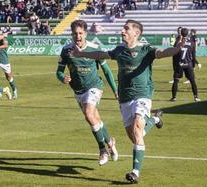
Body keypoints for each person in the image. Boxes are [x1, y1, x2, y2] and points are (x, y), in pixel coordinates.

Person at [72, 19, 182, 183]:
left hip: (142, 95)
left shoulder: (146, 50)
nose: (122, 31)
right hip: (124, 98)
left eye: (126, 28)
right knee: (136, 136)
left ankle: (135, 173)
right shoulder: (119, 50)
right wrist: (82, 54)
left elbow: (164, 52)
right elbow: (101, 55)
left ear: (136, 33)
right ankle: (155, 119)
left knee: (138, 129)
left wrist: (178, 48)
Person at [56, 20, 118, 166]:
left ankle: (102, 150)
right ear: (71, 34)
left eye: (80, 33)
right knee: (95, 119)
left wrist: (115, 90)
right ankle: (110, 142)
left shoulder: (94, 48)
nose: (77, 36)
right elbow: (59, 71)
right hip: (78, 90)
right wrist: (62, 78)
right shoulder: (66, 50)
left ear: (85, 33)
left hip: (94, 86)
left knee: (89, 114)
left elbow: (106, 71)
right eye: (75, 33)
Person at [170, 27, 201, 102]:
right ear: (188, 33)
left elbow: (174, 54)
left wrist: (174, 65)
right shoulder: (191, 42)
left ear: (181, 33)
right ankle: (196, 97)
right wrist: (193, 66)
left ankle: (174, 97)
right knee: (192, 81)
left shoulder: (178, 42)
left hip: (179, 64)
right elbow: (193, 56)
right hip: (188, 64)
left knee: (176, 81)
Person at [0, 25, 17, 100]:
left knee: (8, 77)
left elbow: (6, 45)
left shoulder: (3, 38)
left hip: (4, 61)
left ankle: (14, 90)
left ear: (0, 31)